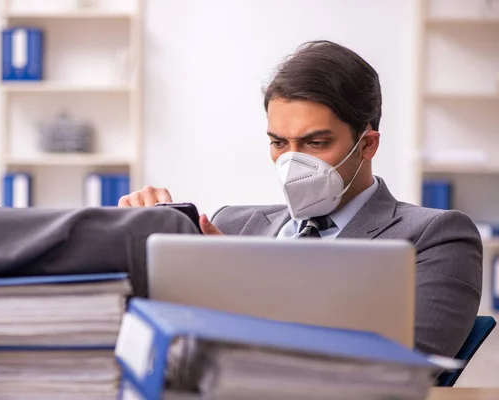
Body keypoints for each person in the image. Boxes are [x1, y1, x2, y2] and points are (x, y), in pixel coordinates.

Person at [118, 40, 482, 358]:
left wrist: (246, 283)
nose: (292, 161)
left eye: (316, 143)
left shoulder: (437, 236)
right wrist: (141, 240)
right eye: (279, 143)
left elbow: (411, 365)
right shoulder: (230, 225)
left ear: (367, 144)